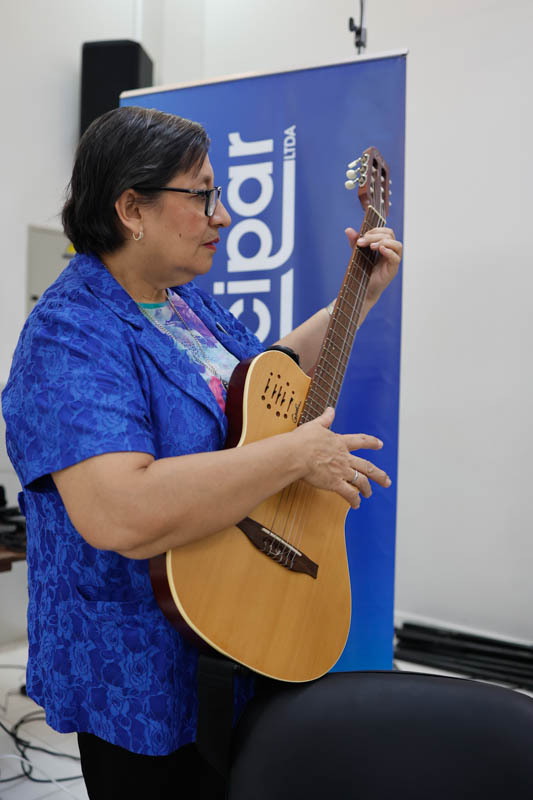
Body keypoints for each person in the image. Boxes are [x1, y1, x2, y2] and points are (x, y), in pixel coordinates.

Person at [1, 106, 402, 799]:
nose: (222, 217)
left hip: (238, 612)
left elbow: (264, 379)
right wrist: (293, 459)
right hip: (141, 654)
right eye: (202, 195)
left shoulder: (184, 303)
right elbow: (118, 512)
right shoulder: (70, 334)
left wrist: (356, 297)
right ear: (132, 209)